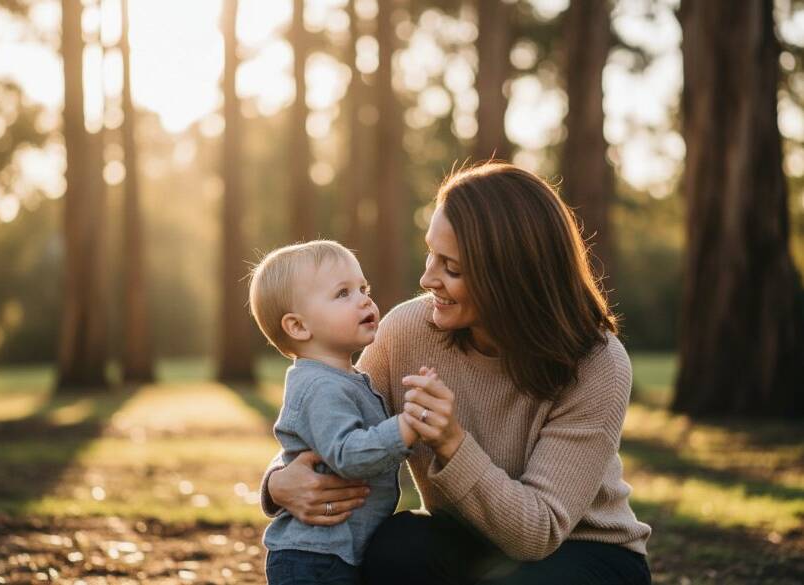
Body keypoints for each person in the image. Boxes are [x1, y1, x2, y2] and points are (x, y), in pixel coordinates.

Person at [260, 162, 653, 584]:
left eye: (452, 268)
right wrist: (277, 483)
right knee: (398, 545)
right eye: (431, 253)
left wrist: (451, 441)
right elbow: (334, 422)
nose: (427, 278)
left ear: (509, 278)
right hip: (467, 541)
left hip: (583, 551)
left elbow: (538, 535)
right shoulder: (405, 331)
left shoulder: (596, 363)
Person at [247, 240, 425, 585]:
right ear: (298, 326)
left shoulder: (346, 379)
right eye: (343, 293)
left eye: (363, 288)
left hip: (337, 553)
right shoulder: (319, 387)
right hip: (313, 560)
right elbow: (348, 455)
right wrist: (405, 427)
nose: (364, 300)